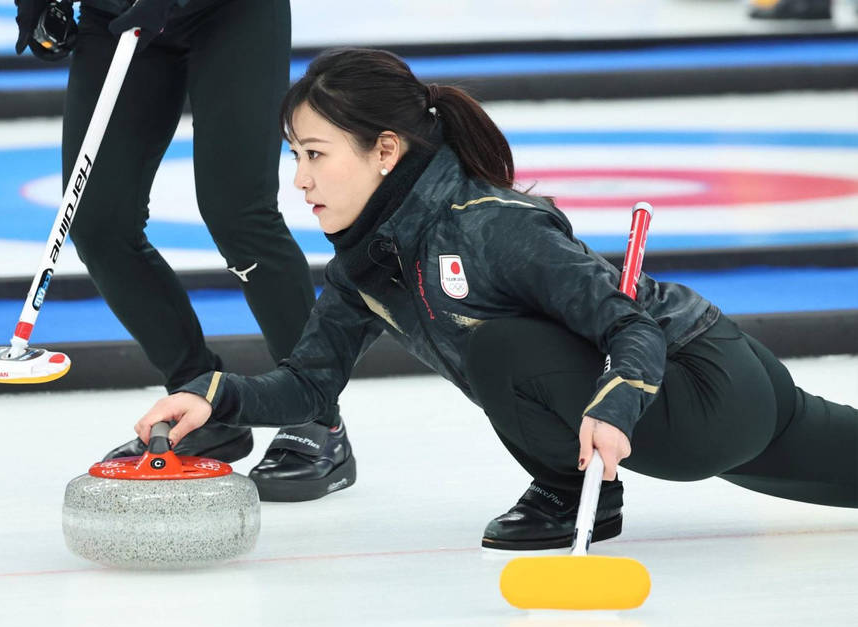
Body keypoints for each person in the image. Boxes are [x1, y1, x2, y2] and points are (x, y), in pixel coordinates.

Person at [132, 47, 857, 550]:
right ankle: (571, 487)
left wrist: (613, 404)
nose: (300, 180)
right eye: (295, 156)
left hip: (702, 386)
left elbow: (631, 327)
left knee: (501, 347)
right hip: (702, 405)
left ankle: (574, 496)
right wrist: (215, 398)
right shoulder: (365, 265)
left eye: (315, 154)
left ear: (385, 150)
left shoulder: (492, 226)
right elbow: (309, 384)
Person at [13, 0, 357, 502]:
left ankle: (318, 416)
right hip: (116, 16)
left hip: (229, 12)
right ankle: (200, 403)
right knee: (98, 223)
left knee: (238, 214)